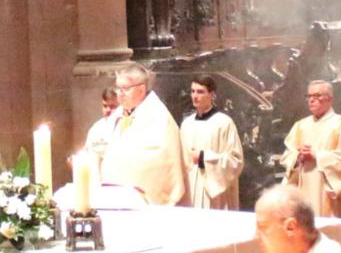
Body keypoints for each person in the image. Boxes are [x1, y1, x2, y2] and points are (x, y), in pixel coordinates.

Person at [100, 65, 187, 206]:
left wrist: (117, 157)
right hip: (115, 195)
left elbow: (160, 160)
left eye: (125, 89)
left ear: (141, 89)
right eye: (118, 88)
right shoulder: (120, 113)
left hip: (144, 199)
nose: (119, 94)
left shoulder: (158, 116)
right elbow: (102, 141)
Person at [281, 80, 341, 223]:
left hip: (329, 192)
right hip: (305, 187)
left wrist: (317, 156)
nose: (311, 100)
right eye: (309, 96)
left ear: (329, 99)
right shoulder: (300, 126)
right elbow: (288, 155)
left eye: (317, 96)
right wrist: (298, 156)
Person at [179, 76, 244, 210]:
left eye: (200, 92)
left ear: (211, 94)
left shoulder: (224, 123)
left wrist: (203, 157)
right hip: (190, 188)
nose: (195, 96)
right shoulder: (187, 124)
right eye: (192, 91)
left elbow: (235, 161)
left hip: (213, 192)